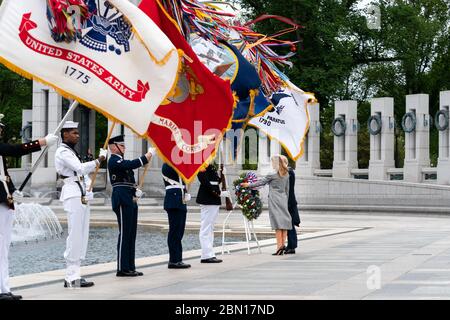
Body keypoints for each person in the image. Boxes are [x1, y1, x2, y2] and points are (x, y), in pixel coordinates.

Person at [0, 114, 58, 300]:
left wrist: (12, 190)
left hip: (4, 201)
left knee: (4, 247)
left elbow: (3, 175)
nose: (1, 130)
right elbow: (15, 150)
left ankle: (4, 288)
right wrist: (41, 142)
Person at [55, 121, 108, 288]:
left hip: (81, 193)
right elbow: (79, 168)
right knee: (75, 234)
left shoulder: (71, 151)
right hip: (72, 194)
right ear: (65, 134)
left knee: (82, 235)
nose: (77, 136)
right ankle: (71, 276)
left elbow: (82, 175)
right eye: (74, 133)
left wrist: (88, 189)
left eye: (77, 133)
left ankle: (75, 274)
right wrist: (99, 160)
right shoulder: (63, 151)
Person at [108, 135, 154, 277]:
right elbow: (129, 165)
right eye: (121, 146)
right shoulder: (114, 160)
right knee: (125, 233)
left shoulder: (121, 160)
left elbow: (129, 177)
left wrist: (135, 190)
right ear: (114, 147)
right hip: (121, 197)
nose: (124, 148)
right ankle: (122, 268)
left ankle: (130, 266)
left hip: (129, 197)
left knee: (131, 233)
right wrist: (146, 157)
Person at [241, 154, 292, 255]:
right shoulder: (286, 174)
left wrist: (248, 185)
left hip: (274, 200)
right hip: (283, 199)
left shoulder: (272, 174)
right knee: (284, 223)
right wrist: (285, 200)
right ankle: (282, 245)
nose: (272, 164)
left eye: (272, 162)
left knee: (277, 223)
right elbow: (287, 190)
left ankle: (279, 247)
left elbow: (261, 182)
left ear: (276, 163)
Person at [196, 162, 229, 263]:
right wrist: (217, 192)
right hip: (208, 197)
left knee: (210, 227)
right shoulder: (201, 164)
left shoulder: (210, 165)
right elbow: (204, 181)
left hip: (213, 199)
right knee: (206, 227)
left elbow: (215, 181)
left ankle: (208, 253)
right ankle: (206, 255)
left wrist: (221, 174)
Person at [162, 163, 191, 269]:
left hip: (180, 199)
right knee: (174, 231)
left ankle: (178, 258)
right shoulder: (167, 165)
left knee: (179, 231)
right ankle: (174, 260)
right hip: (173, 200)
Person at [285, 166, 300, 254]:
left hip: (289, 202)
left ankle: (291, 246)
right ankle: (291, 246)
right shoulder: (290, 172)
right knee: (289, 225)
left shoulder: (289, 173)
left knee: (290, 225)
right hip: (290, 202)